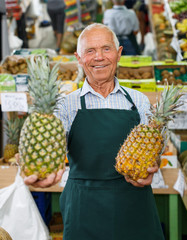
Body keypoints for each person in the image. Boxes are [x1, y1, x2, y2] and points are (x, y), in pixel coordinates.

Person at [22, 23, 165, 240]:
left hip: (133, 203)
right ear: (78, 59)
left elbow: (154, 150)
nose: (99, 57)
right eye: (90, 51)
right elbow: (47, 151)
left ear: (118, 54)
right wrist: (37, 171)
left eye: (106, 49)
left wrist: (153, 165)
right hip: (83, 206)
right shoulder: (65, 105)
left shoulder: (139, 101)